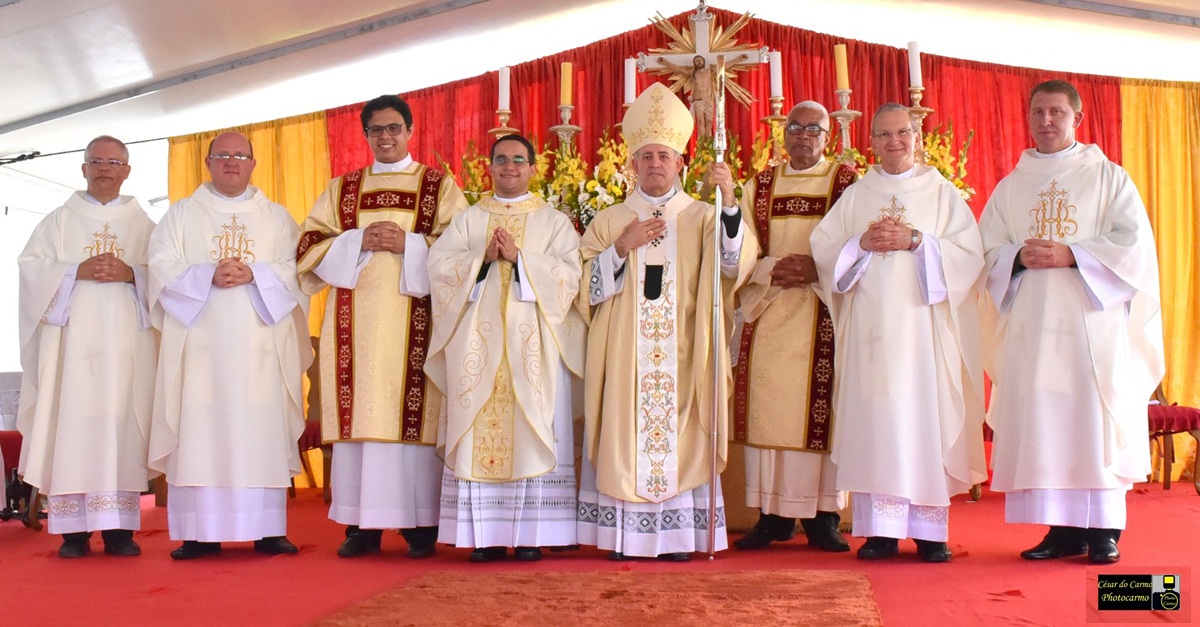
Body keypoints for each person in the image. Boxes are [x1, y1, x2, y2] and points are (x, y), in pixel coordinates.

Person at [978, 80, 1163, 565]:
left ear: (1077, 118)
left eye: (1056, 112)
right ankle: (1061, 530)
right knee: (1048, 423)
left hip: (1091, 327)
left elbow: (1135, 247)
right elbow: (985, 250)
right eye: (1038, 111)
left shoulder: (1108, 178)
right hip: (1033, 329)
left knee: (1092, 418)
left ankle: (1103, 532)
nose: (1046, 121)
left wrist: (1074, 255)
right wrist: (1017, 257)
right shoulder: (1011, 186)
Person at [576, 82, 758, 561]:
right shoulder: (610, 220)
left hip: (687, 349)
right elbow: (580, 289)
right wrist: (621, 247)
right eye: (646, 156)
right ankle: (626, 538)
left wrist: (729, 203)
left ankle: (680, 538)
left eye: (664, 155)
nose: (655, 163)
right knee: (626, 432)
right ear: (632, 164)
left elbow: (733, 265)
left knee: (685, 434)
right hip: (625, 354)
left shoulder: (703, 215)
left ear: (680, 163)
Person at [810, 103, 986, 563]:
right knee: (877, 423)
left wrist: (917, 241)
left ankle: (929, 533)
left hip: (924, 334)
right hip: (871, 333)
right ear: (871, 142)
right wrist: (859, 244)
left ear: (917, 136)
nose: (894, 142)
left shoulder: (942, 194)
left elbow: (970, 256)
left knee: (923, 420)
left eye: (902, 132)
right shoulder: (857, 195)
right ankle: (881, 532)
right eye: (884, 135)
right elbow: (824, 250)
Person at [296, 95, 467, 558]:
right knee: (362, 420)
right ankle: (361, 527)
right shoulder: (343, 188)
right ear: (366, 135)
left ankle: (420, 525)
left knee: (413, 419)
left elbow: (462, 248)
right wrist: (357, 240)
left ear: (410, 130)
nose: (386, 137)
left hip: (416, 323)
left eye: (394, 128)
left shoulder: (437, 186)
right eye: (376, 130)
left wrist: (410, 244)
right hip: (354, 327)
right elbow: (308, 245)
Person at [148, 131, 310, 560]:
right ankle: (199, 533)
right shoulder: (181, 215)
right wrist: (207, 275)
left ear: (253, 163)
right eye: (222, 155)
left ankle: (267, 530)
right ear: (208, 162)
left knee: (261, 430)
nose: (231, 162)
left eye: (240, 155)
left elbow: (298, 269)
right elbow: (159, 266)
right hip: (201, 351)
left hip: (261, 349)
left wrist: (256, 274)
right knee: (200, 431)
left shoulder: (277, 218)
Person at [425, 134, 586, 563]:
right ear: (490, 167)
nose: (509, 166)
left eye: (518, 159)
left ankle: (532, 534)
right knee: (479, 426)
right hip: (476, 347)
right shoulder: (468, 220)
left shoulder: (553, 222)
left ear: (533, 168)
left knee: (532, 429)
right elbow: (438, 268)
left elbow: (570, 277)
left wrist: (521, 259)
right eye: (501, 159)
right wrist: (480, 258)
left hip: (533, 347)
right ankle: (486, 538)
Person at [16, 135, 156, 558]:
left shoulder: (145, 225)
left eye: (113, 162)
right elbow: (30, 270)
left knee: (121, 427)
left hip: (126, 351)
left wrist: (133, 273)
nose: (104, 168)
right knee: (71, 423)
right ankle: (74, 532)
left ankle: (119, 531)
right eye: (96, 161)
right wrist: (74, 270)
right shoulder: (59, 221)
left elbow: (165, 276)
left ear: (126, 170)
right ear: (83, 168)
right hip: (71, 351)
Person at [731, 102, 857, 552]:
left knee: (821, 411)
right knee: (768, 409)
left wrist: (817, 269)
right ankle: (771, 516)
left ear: (828, 136)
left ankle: (823, 517)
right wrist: (770, 268)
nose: (804, 135)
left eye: (813, 129)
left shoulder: (846, 183)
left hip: (823, 313)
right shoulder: (761, 184)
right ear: (783, 134)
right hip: (769, 309)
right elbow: (740, 247)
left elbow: (857, 245)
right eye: (795, 127)